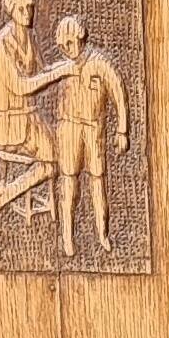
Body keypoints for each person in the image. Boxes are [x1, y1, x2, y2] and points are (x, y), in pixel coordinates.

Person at [49, 13, 129, 257]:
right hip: (69, 128)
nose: (67, 50)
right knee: (68, 180)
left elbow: (117, 92)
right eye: (63, 46)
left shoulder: (99, 63)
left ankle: (102, 234)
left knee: (96, 180)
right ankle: (66, 237)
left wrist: (122, 129)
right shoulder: (61, 66)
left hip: (93, 129)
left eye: (70, 44)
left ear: (81, 38)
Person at [0, 0, 61, 227]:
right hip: (10, 125)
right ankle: (6, 197)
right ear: (11, 11)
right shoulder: (3, 44)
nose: (27, 13)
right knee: (52, 163)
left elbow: (43, 69)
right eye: (21, 9)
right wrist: (56, 75)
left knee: (61, 156)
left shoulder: (29, 36)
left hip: (30, 119)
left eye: (30, 7)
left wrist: (67, 67)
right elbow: (21, 87)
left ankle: (4, 193)